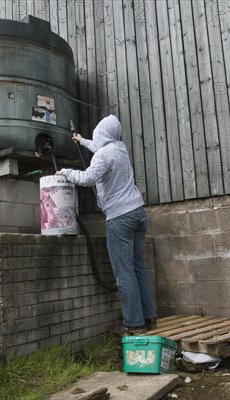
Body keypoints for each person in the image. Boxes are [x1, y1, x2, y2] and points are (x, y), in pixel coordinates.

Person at [56, 115, 157, 334]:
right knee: (139, 268)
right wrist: (82, 141)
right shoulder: (120, 148)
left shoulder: (102, 155)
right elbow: (99, 148)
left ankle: (133, 323)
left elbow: (87, 178)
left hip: (120, 218)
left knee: (124, 272)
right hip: (138, 213)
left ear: (101, 132)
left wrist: (65, 172)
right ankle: (149, 318)